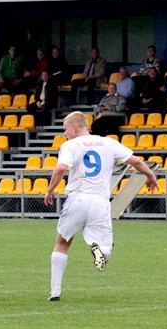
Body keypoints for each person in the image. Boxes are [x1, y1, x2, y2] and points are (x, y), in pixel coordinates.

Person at [44, 111, 158, 301]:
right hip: (100, 202)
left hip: (77, 198)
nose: (64, 134)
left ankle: (55, 291)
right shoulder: (108, 142)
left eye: (65, 130)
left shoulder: (70, 145)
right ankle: (99, 249)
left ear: (73, 128)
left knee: (63, 242)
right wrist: (150, 176)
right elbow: (135, 161)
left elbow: (61, 168)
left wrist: (50, 190)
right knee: (106, 247)